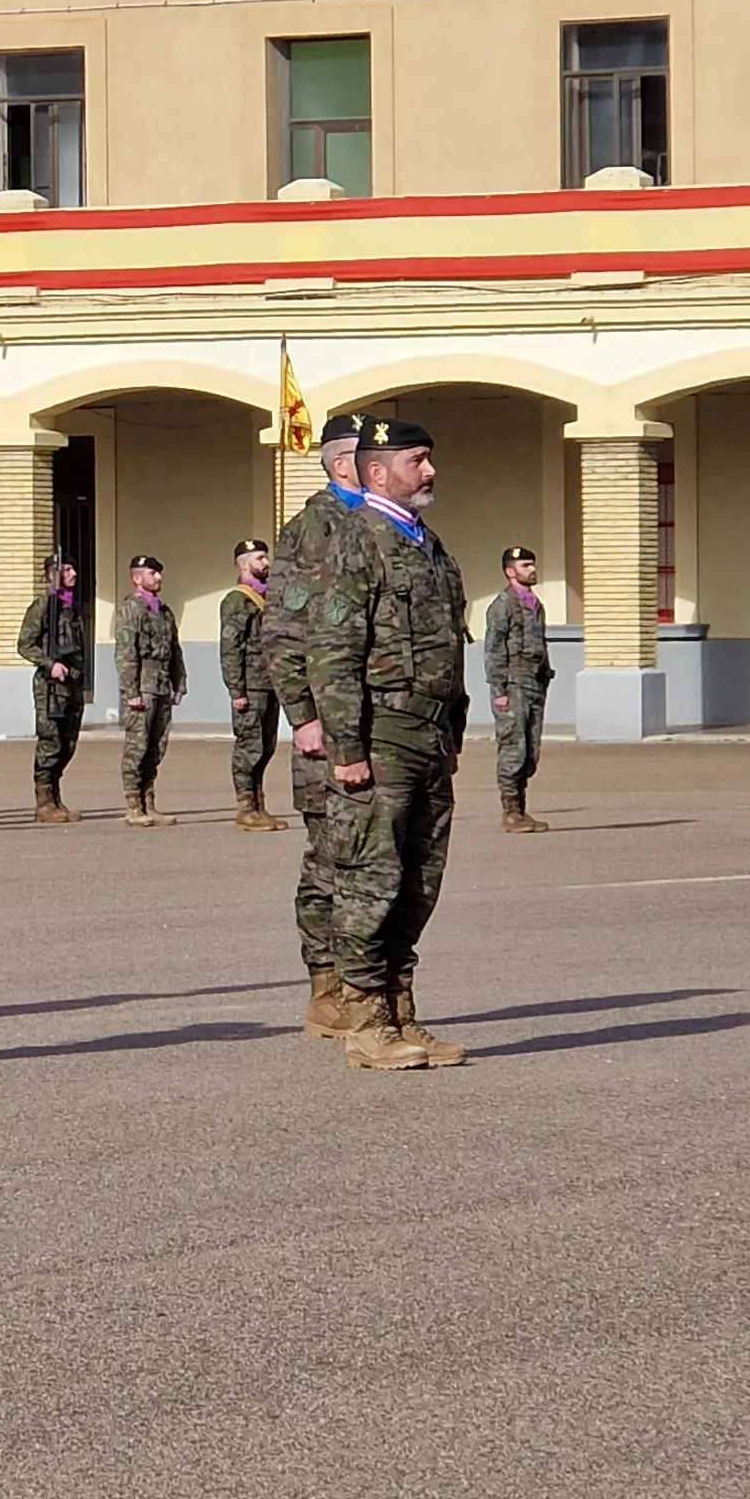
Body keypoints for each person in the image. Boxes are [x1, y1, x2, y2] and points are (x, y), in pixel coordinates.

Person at [301, 417, 475, 1072]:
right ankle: (365, 1023)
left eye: (429, 459)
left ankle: (402, 1013)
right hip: (380, 735)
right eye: (417, 460)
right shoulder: (358, 540)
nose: (430, 471)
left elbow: (449, 646)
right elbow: (332, 652)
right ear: (377, 472)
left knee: (418, 882)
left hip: (428, 733)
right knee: (369, 880)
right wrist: (346, 748)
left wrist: (452, 732)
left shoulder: (427, 544)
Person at [267, 412, 370, 1039]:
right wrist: (303, 715)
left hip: (375, 724)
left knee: (375, 863)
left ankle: (369, 989)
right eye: (364, 454)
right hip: (327, 726)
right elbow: (284, 630)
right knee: (330, 859)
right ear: (340, 464)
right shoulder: (312, 528)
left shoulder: (382, 524)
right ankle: (326, 989)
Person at [221, 539, 288, 832]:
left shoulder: (268, 597)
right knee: (249, 746)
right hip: (250, 686)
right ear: (244, 563)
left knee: (266, 746)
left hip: (270, 683)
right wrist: (236, 690)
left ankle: (259, 805)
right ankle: (245, 808)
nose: (265, 562)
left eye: (265, 557)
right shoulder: (237, 601)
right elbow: (230, 648)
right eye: (259, 558)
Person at [487, 545, 555, 833]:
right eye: (525, 565)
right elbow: (493, 649)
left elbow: (541, 644)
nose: (532, 569)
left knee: (530, 752)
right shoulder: (503, 605)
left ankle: (521, 810)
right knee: (513, 749)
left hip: (534, 683)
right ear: (509, 571)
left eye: (532, 564)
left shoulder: (535, 604)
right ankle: (511, 812)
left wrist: (545, 677)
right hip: (513, 683)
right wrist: (499, 690)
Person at [113, 554, 183, 828]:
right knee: (137, 747)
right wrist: (131, 690)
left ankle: (148, 802)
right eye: (152, 573)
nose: (158, 578)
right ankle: (133, 805)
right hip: (142, 687)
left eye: (158, 573)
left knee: (157, 747)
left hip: (161, 686)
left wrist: (179, 683)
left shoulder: (164, 611)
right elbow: (126, 653)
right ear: (137, 578)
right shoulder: (131, 609)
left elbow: (175, 649)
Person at [20, 553, 90, 823]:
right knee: (50, 741)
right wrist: (50, 664)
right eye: (67, 569)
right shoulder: (42, 606)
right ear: (53, 574)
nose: (73, 574)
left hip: (72, 684)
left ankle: (56, 797)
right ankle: (44, 802)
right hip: (50, 687)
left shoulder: (71, 607)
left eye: (73, 569)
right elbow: (25, 644)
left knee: (68, 742)